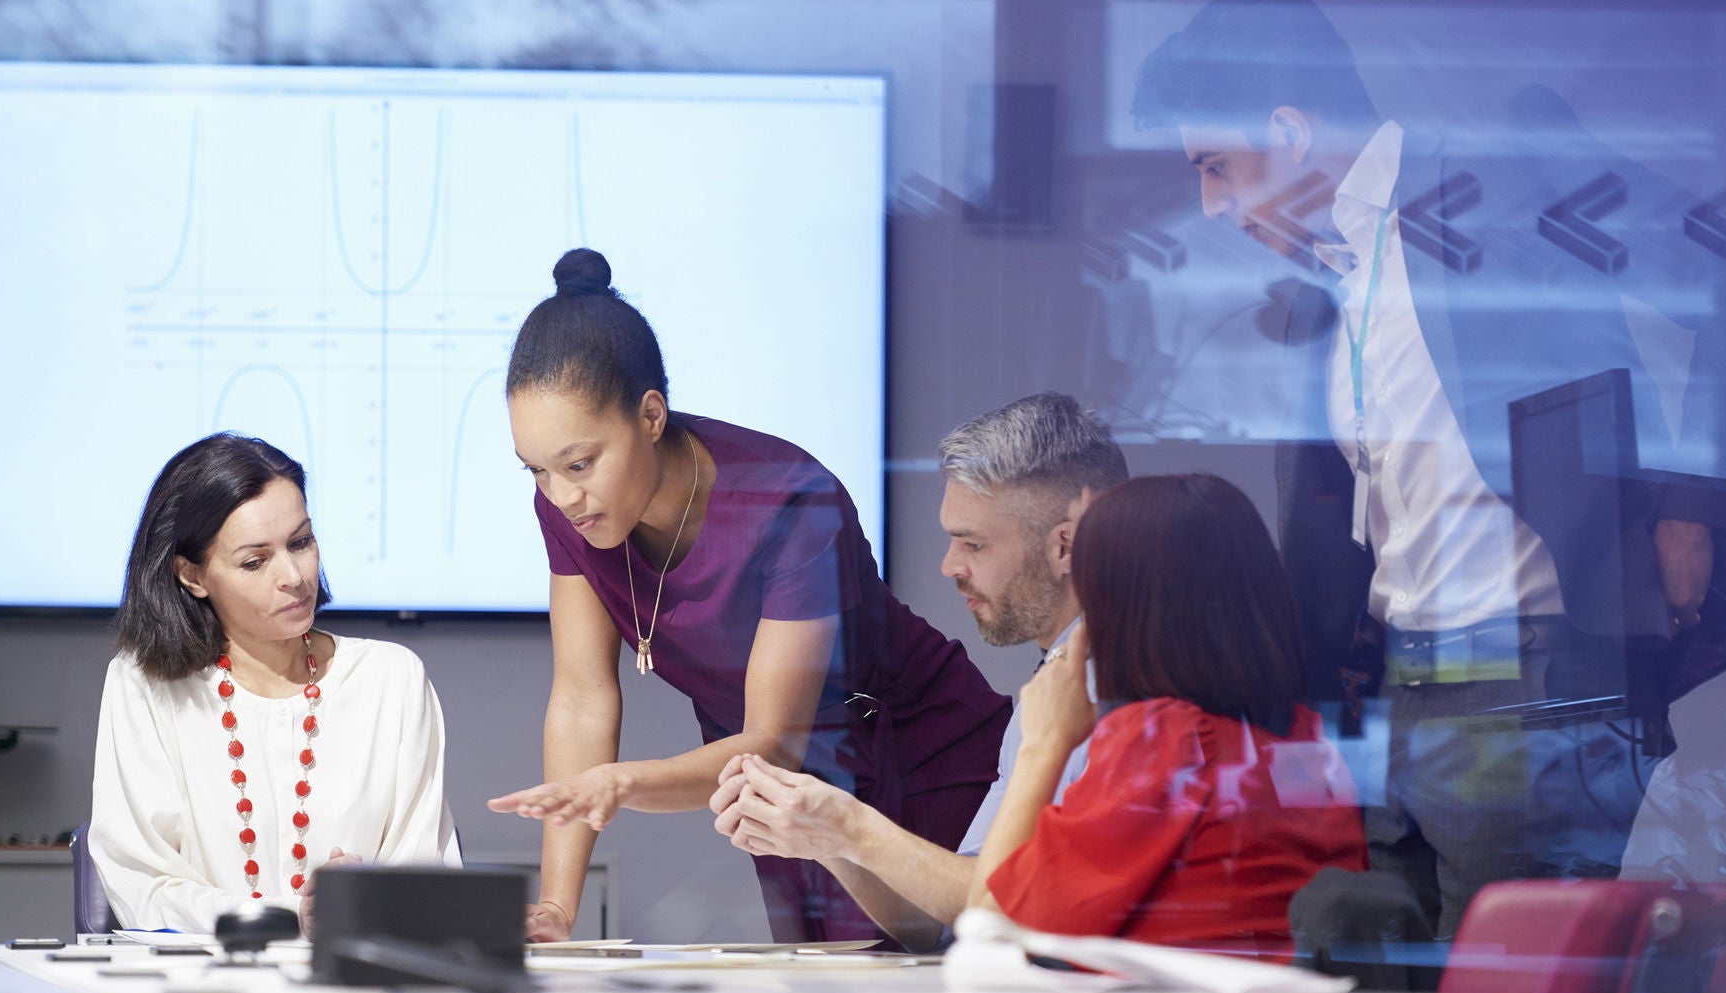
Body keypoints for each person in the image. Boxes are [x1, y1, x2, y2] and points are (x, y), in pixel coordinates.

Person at [1129, 0, 1726, 938]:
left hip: (1527, 685)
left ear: (1289, 129)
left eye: (1217, 166)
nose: (1212, 206)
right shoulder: (1322, 289)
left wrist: (1691, 503)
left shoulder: (1502, 180)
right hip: (1398, 697)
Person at [487, 248, 1011, 943]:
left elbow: (773, 740)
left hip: (915, 755)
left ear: (650, 415)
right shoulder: (567, 505)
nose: (560, 494)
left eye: (579, 464)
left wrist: (619, 783)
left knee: (954, 988)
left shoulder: (787, 500)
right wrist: (557, 905)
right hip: (778, 794)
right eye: (537, 470)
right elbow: (583, 698)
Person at [711, 393, 1128, 950]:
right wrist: (827, 839)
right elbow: (951, 917)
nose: (950, 565)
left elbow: (1002, 911)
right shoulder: (1050, 689)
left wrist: (852, 827)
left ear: (1064, 546)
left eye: (973, 543)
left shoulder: (1119, 693)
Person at [965, 474, 1365, 951]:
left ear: (1121, 613)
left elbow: (989, 929)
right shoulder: (1307, 740)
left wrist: (1043, 745)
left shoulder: (1166, 742)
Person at [89, 434, 460, 934]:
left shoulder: (391, 681)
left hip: (357, 992)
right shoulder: (144, 685)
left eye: (301, 542)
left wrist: (369, 896)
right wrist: (290, 917)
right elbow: (145, 888)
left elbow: (427, 878)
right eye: (254, 561)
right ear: (192, 576)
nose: (293, 575)